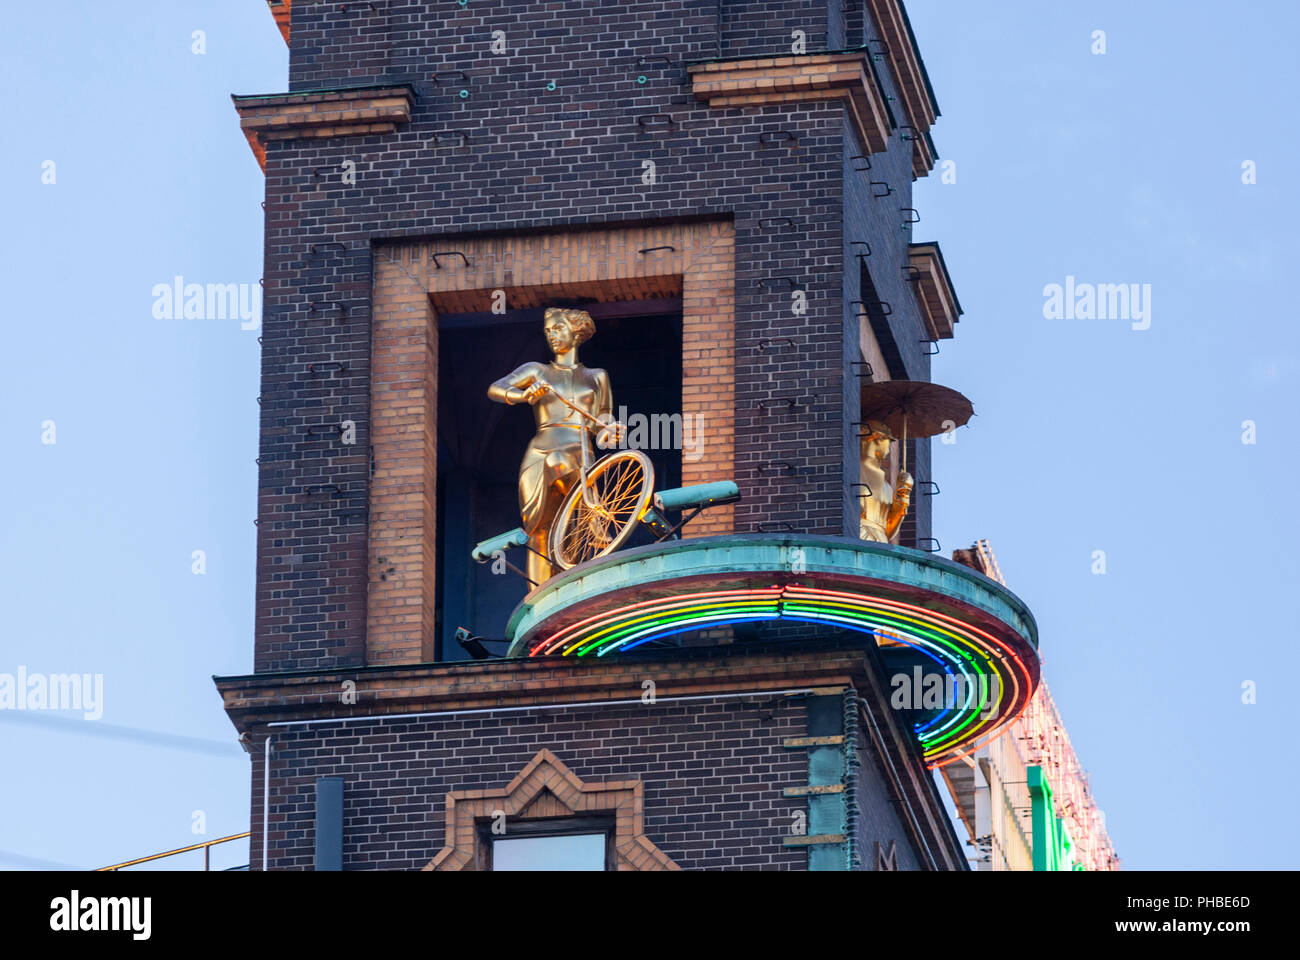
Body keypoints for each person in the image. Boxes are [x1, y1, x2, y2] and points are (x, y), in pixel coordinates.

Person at [487, 307, 612, 584]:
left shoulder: (597, 377)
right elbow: (495, 388)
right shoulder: (537, 370)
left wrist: (609, 432)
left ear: (576, 332)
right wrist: (524, 395)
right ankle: (537, 597)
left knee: (569, 533)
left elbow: (601, 421)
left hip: (580, 452)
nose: (551, 336)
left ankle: (572, 578)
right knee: (538, 530)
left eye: (558, 329)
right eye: (548, 332)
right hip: (539, 452)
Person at [858, 420, 913, 543]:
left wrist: (903, 494)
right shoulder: (854, 470)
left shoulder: (886, 487)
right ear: (877, 438)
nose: (888, 447)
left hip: (881, 543)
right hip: (859, 538)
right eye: (888, 441)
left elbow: (888, 530)